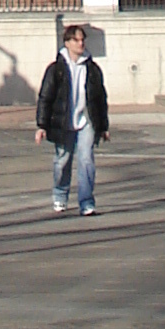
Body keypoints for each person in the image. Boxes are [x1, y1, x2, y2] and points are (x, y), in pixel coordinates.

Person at [34, 20, 109, 216]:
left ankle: (86, 202)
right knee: (62, 161)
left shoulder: (92, 69)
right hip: (64, 121)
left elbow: (100, 98)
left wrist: (103, 126)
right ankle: (60, 195)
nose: (80, 44)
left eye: (82, 40)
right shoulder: (56, 69)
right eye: (76, 40)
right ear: (67, 43)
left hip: (86, 121)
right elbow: (45, 97)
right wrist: (42, 125)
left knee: (86, 160)